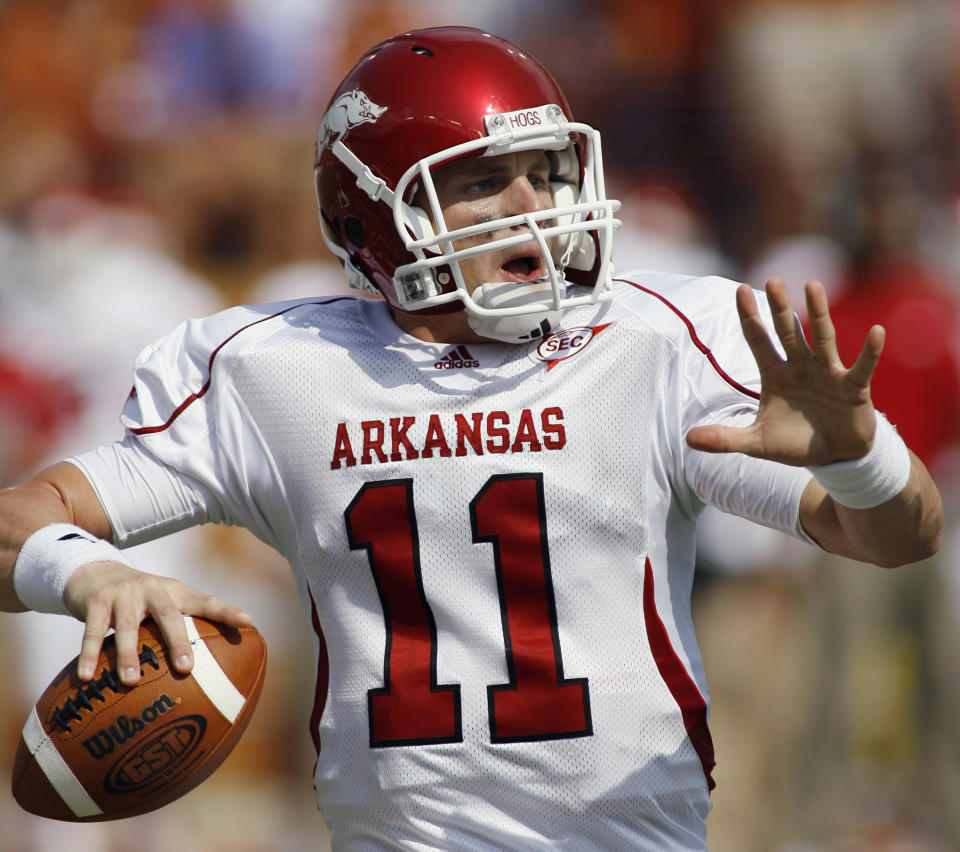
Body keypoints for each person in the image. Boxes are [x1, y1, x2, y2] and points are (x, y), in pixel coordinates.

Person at [0, 26, 943, 851]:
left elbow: (900, 536)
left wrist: (856, 459)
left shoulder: (656, 340)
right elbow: (17, 522)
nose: (533, 207)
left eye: (547, 171)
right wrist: (86, 572)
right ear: (368, 215)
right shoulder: (275, 370)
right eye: (485, 182)